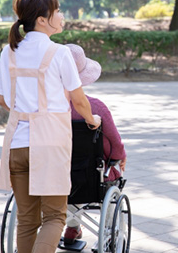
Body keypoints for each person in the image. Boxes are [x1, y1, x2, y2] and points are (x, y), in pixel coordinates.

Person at [0, 0, 101, 253]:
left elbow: (2, 100)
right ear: (42, 19)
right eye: (58, 11)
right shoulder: (59, 53)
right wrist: (92, 119)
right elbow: (79, 99)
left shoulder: (9, 52)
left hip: (17, 143)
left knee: (27, 221)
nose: (61, 16)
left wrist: (25, 109)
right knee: (54, 217)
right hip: (51, 144)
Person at [62, 44, 127, 245]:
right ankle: (106, 231)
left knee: (69, 173)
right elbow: (116, 144)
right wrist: (120, 157)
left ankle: (73, 228)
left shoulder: (45, 107)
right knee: (97, 175)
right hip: (89, 174)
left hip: (55, 169)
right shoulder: (96, 107)